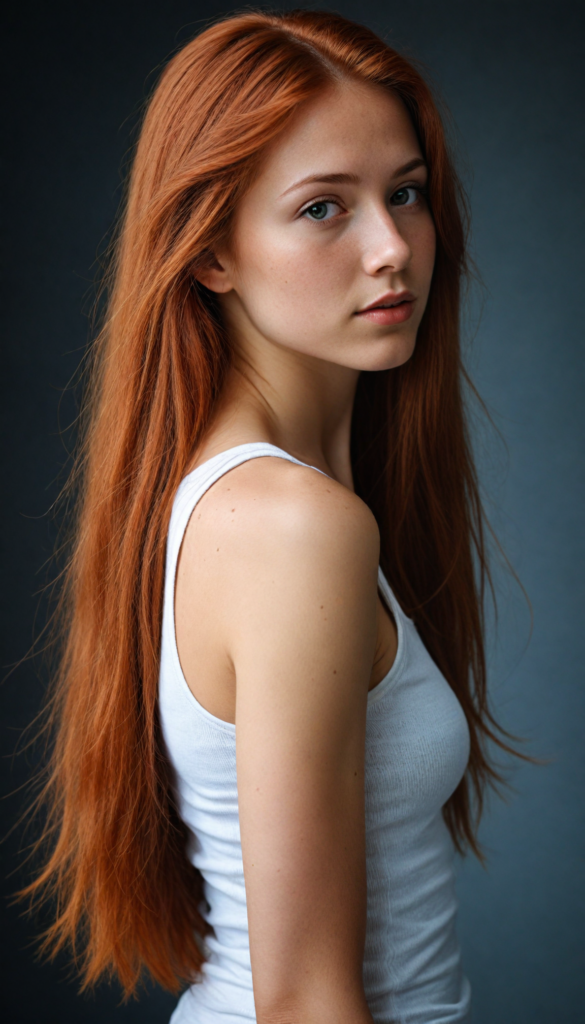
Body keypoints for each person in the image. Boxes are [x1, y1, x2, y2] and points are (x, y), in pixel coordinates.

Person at [24, 10, 526, 1024]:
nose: (393, 247)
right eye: (322, 209)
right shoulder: (290, 527)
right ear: (211, 254)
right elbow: (300, 1002)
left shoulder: (258, 498)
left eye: (406, 193)